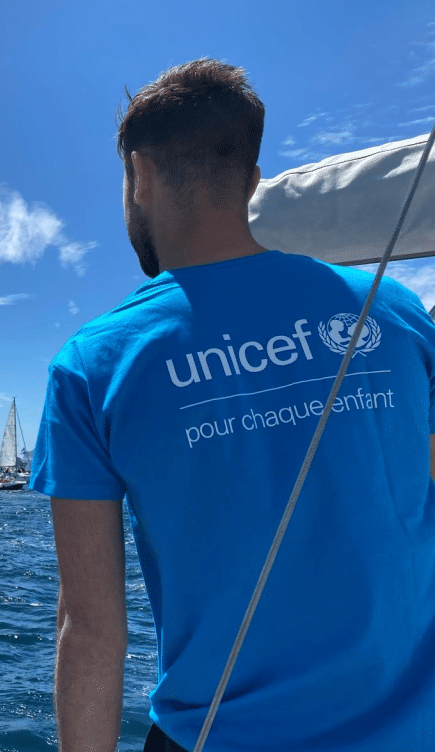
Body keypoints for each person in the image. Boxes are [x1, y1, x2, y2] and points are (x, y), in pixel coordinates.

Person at [30, 58, 435, 752]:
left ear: (140, 176)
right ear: (251, 178)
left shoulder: (92, 364)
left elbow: (92, 626)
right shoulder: (394, 311)